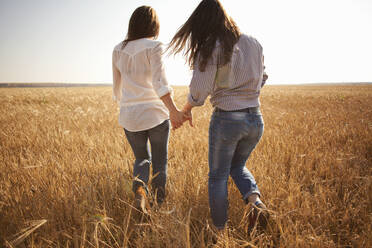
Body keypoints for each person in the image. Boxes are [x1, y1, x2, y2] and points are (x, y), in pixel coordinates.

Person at [168, 0, 269, 232]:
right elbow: (263, 76)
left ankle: (219, 231)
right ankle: (256, 203)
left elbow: (199, 91)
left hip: (227, 121)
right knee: (238, 166)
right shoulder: (253, 43)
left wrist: (186, 109)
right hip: (255, 119)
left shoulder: (212, 47)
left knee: (218, 177)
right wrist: (246, 93)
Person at [112, 6, 184, 214]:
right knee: (160, 162)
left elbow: (117, 87)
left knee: (142, 159)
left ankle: (141, 192)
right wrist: (173, 110)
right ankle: (159, 206)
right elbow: (159, 82)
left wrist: (127, 106)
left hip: (130, 116)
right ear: (154, 25)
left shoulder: (118, 49)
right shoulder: (155, 46)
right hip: (155, 114)